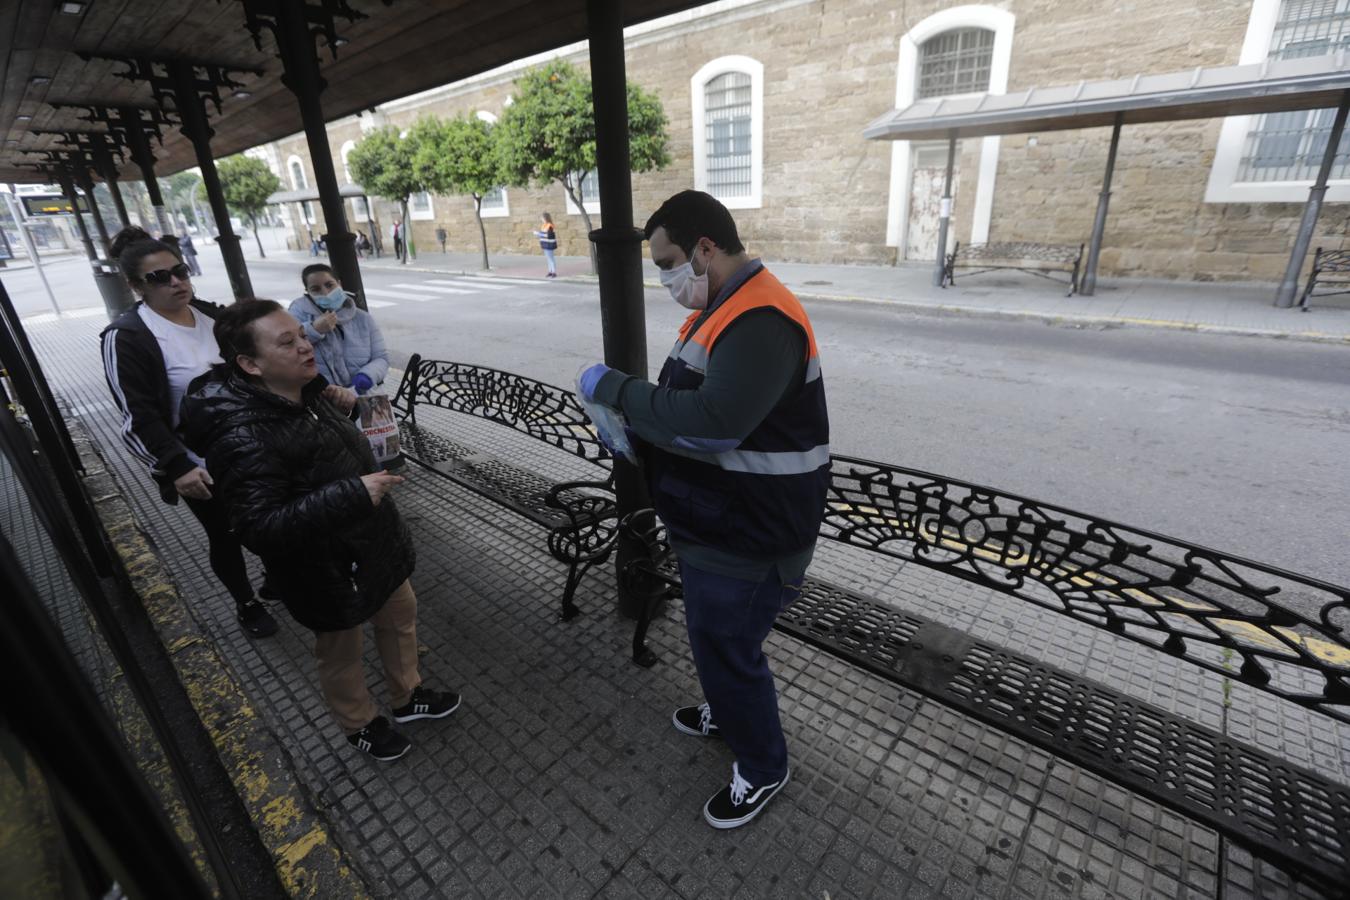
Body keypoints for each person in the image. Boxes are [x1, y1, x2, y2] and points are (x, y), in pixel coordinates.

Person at [576, 190, 829, 829]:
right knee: (712, 639)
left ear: (705, 249)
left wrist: (617, 390)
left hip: (752, 534)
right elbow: (687, 405)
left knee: (728, 646)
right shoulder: (722, 304)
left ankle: (763, 766)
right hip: (717, 519)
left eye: (666, 261)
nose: (663, 276)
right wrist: (639, 428)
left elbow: (715, 423)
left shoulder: (760, 318)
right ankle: (726, 708)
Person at [180, 300, 459, 760]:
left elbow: (326, 458)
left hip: (372, 543)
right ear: (250, 364)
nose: (306, 346)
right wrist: (351, 495)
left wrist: (352, 419)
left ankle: (408, 697)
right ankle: (360, 723)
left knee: (399, 616)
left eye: (302, 335)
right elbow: (259, 527)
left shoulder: (309, 393)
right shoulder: (242, 436)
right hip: (321, 568)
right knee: (341, 650)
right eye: (287, 342)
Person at [99, 226, 279, 639]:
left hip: (252, 445)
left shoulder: (213, 315)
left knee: (270, 516)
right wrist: (177, 466)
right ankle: (246, 602)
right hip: (199, 463)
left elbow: (260, 362)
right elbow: (136, 416)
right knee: (226, 533)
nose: (176, 281)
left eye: (179, 270)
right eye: (160, 277)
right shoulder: (128, 337)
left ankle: (275, 578)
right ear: (134, 286)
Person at [288, 264, 389, 395]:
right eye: (315, 289)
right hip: (323, 400)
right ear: (307, 292)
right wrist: (314, 330)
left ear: (339, 284)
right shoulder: (296, 317)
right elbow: (289, 352)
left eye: (330, 285)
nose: (325, 292)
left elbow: (381, 357)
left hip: (363, 395)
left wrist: (367, 377)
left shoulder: (363, 318)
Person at [533, 213, 558, 277]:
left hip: (549, 244)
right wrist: (539, 234)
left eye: (542, 218)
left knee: (551, 258)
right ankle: (550, 271)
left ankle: (554, 272)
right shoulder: (544, 225)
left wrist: (538, 233)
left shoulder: (549, 225)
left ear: (546, 218)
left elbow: (548, 235)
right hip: (545, 244)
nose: (541, 219)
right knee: (548, 258)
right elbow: (543, 233)